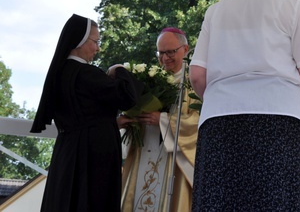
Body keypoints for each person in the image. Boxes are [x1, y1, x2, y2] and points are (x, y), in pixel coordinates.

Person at [189, 0, 300, 211]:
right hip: (280, 121)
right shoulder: (294, 3)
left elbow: (197, 75)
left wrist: (223, 96)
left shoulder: (217, 9)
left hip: (219, 123)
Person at [30, 14, 142, 212]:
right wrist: (119, 69)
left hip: (67, 151)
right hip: (92, 155)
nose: (98, 48)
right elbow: (127, 97)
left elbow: (82, 116)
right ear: (80, 41)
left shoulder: (61, 72)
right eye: (96, 41)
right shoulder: (86, 73)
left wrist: (112, 123)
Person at [120, 27, 199, 212]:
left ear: (185, 49)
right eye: (161, 53)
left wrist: (163, 120)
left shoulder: (193, 83)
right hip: (144, 153)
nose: (165, 58)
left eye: (171, 52)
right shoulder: (149, 81)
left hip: (175, 164)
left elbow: (198, 121)